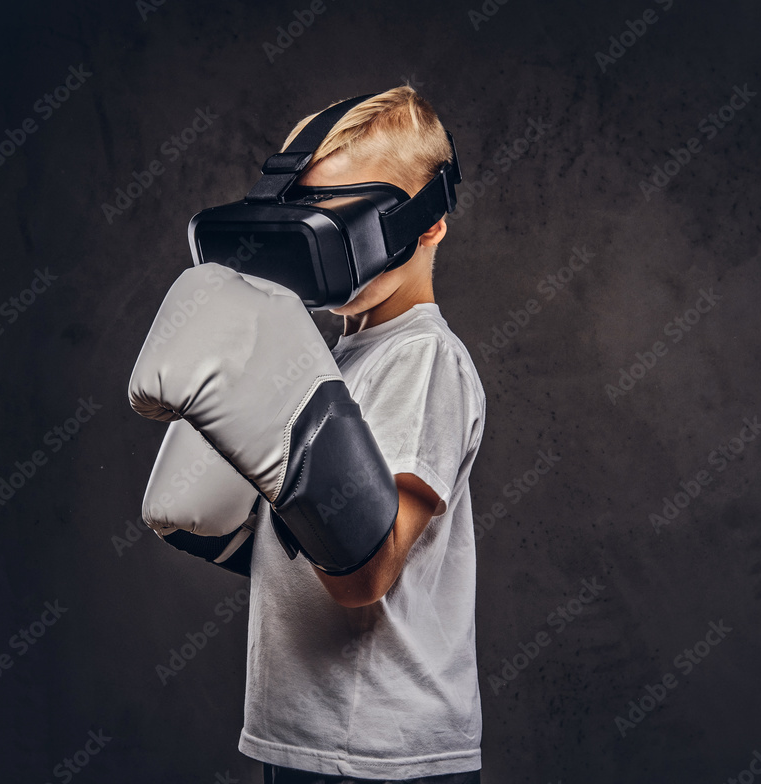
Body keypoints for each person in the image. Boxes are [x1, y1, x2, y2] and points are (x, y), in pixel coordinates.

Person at [237, 86, 486, 784]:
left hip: (383, 750)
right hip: (302, 734)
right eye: (312, 216)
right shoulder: (334, 357)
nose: (327, 246)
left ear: (428, 223)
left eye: (352, 220)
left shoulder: (422, 359)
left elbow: (366, 575)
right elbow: (290, 551)